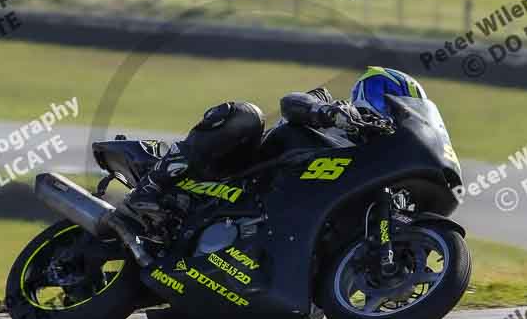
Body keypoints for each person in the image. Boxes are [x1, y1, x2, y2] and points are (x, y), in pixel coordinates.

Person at [120, 66, 427, 225]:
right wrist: (325, 112)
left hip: (275, 209)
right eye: (386, 97)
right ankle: (153, 187)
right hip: (242, 170)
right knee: (245, 115)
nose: (388, 111)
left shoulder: (373, 158)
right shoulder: (333, 107)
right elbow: (292, 102)